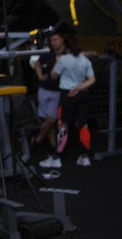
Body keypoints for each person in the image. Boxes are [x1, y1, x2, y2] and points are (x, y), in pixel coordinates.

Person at [39, 35, 95, 168]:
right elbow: (92, 79)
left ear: (66, 47)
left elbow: (53, 76)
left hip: (67, 94)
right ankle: (85, 156)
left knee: (63, 125)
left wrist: (57, 63)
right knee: (82, 125)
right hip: (82, 94)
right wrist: (79, 87)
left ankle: (57, 158)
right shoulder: (84, 59)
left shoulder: (63, 59)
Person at [31, 31, 65, 155]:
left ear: (61, 39)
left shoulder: (67, 55)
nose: (53, 43)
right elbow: (37, 63)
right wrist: (40, 76)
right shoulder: (50, 54)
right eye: (51, 41)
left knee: (51, 119)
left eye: (55, 40)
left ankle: (37, 140)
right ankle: (53, 146)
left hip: (57, 91)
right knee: (48, 120)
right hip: (44, 89)